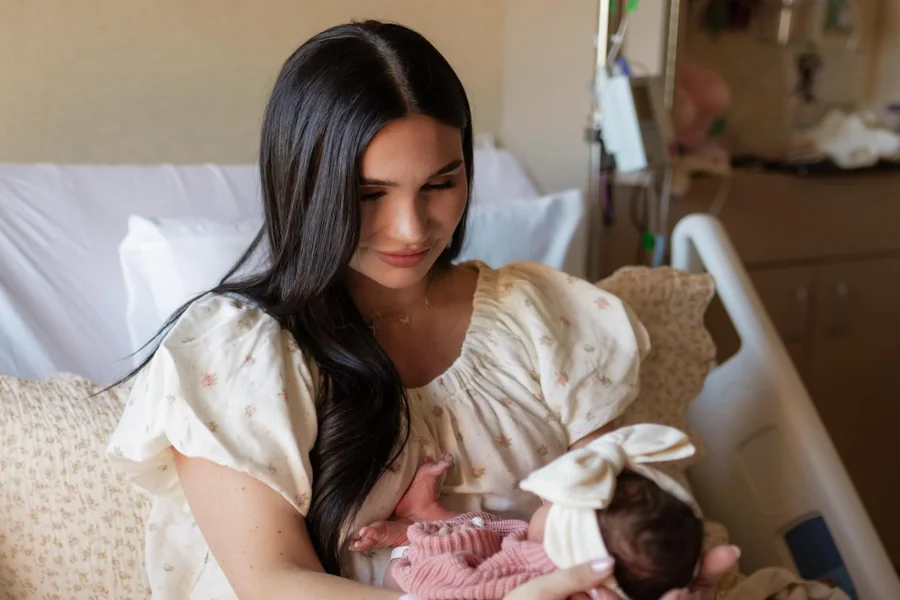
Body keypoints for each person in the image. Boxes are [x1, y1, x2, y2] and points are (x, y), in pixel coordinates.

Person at [105, 20, 738, 600]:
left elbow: (610, 507)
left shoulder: (542, 315)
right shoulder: (240, 352)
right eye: (369, 194)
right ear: (305, 187)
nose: (411, 228)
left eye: (440, 183)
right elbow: (273, 583)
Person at [354, 425, 705, 600]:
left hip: (425, 580)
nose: (542, 503)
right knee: (491, 531)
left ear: (569, 543)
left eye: (551, 505)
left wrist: (430, 545)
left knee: (465, 542)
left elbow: (453, 590)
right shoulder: (541, 555)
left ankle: (415, 526)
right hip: (488, 559)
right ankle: (426, 513)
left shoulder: (531, 579)